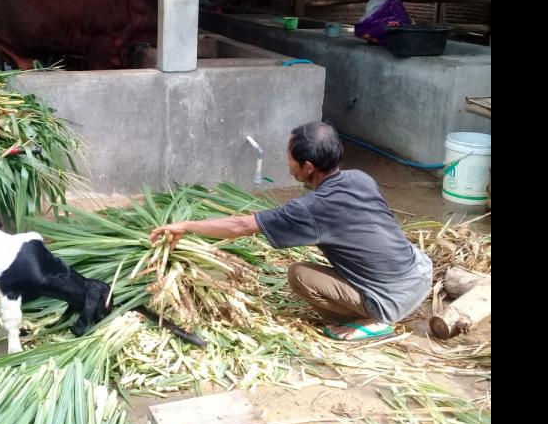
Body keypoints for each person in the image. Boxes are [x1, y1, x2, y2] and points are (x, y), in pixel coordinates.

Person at [148, 122, 432, 341]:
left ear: (308, 167)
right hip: (420, 274)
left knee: (300, 275)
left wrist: (185, 226)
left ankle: (372, 322)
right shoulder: (360, 178)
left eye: (289, 158)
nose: (286, 162)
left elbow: (240, 226)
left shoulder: (310, 208)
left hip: (391, 301)